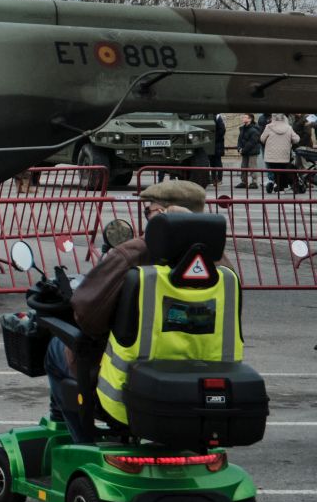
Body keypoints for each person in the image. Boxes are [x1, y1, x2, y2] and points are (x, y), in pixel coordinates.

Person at [43, 180, 207, 443]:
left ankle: (81, 443)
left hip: (126, 380)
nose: (145, 218)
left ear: (164, 214)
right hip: (201, 378)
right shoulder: (220, 262)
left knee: (57, 347)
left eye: (148, 211)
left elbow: (87, 317)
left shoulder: (135, 253)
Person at [261, 113, 299, 193]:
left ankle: (279, 187)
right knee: (283, 171)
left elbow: (262, 139)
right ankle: (281, 187)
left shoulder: (269, 127)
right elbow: (296, 139)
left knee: (275, 171)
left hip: (271, 156)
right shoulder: (288, 128)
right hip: (284, 155)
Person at [237, 113, 262, 190]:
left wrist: (243, 150)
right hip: (244, 151)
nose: (243, 118)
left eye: (245, 117)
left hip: (252, 151)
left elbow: (252, 142)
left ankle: (254, 182)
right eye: (243, 117)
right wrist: (239, 148)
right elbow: (239, 140)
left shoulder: (255, 130)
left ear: (250, 119)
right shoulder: (242, 128)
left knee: (252, 167)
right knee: (243, 166)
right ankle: (244, 182)